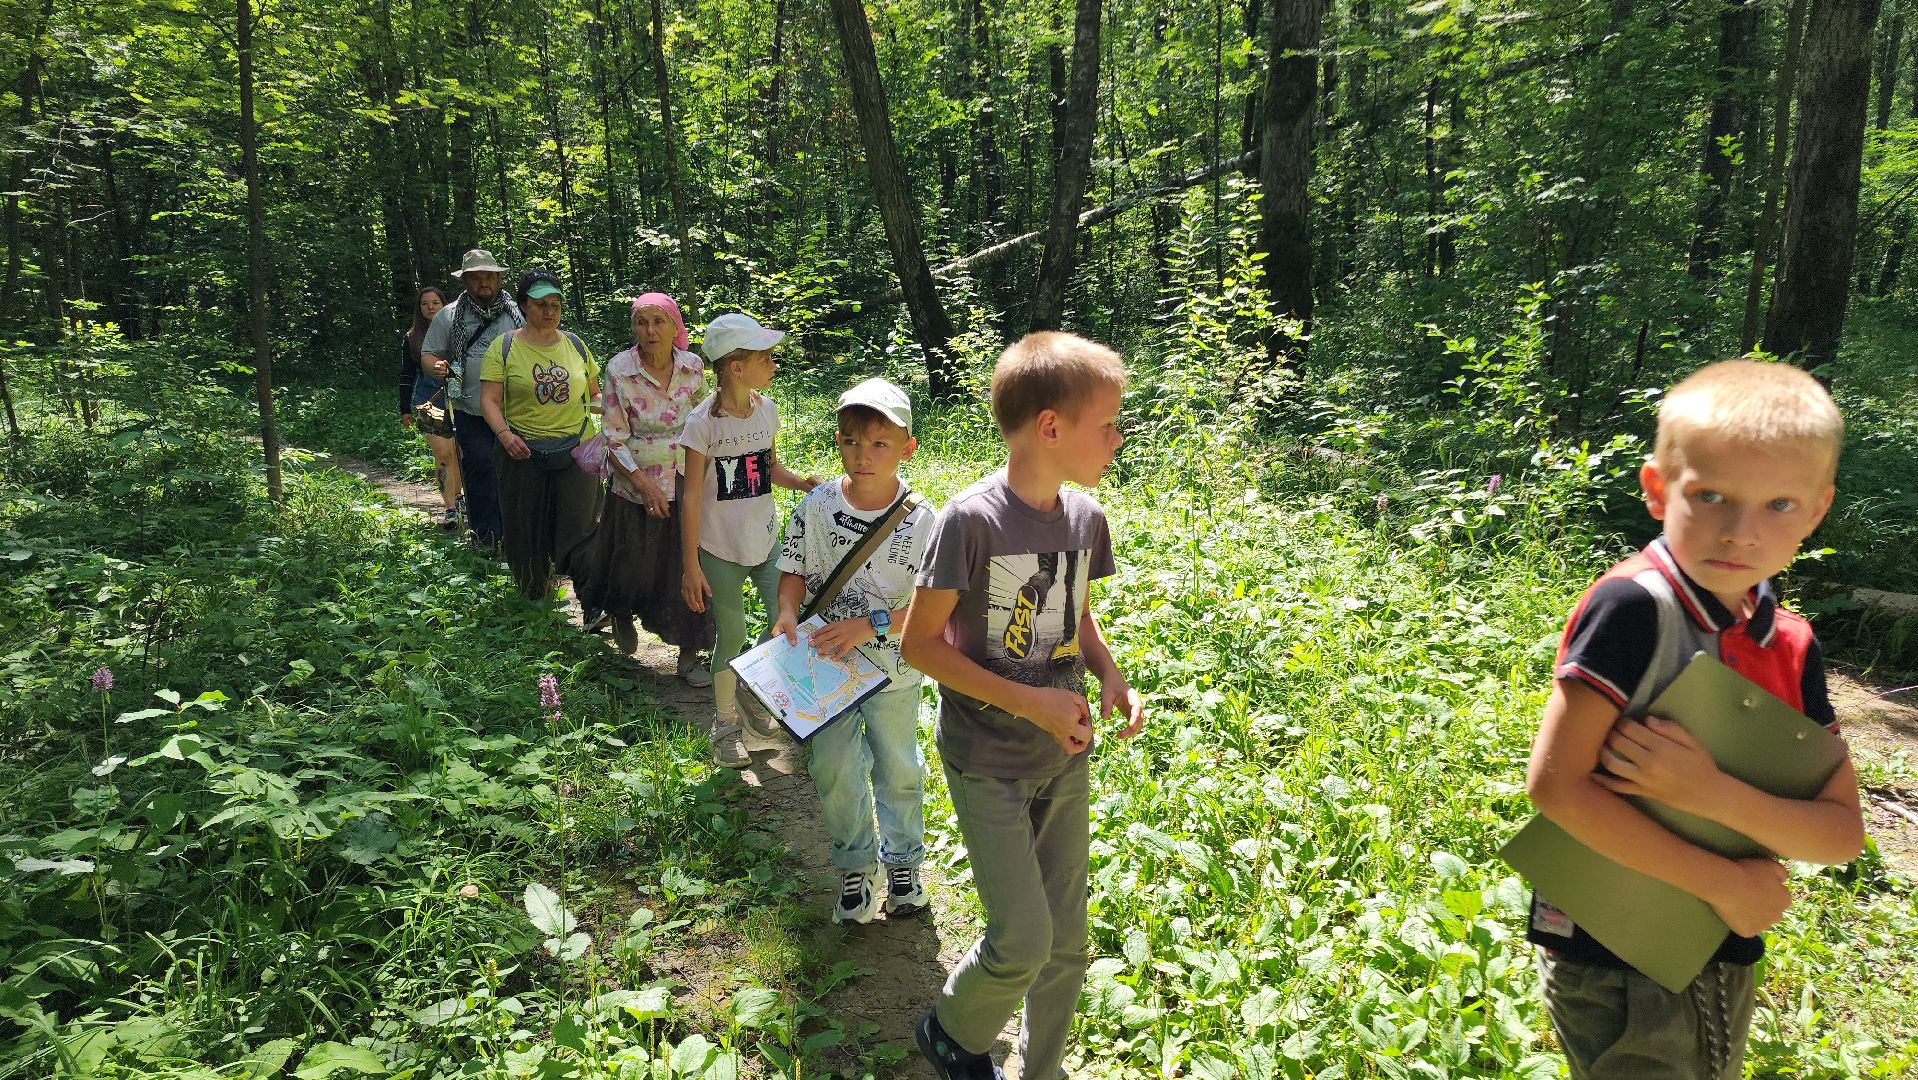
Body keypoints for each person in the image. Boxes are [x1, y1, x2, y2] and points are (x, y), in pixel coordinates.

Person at [1522, 358, 1864, 1080]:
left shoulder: (1791, 641)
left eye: (1778, 504)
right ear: (1656, 488)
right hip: (1615, 947)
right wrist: (1725, 883)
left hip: (1717, 939)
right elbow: (1556, 788)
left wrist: (1708, 793)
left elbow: (1840, 834)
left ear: (1817, 509)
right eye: (1711, 495)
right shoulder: (1635, 610)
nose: (1741, 532)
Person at [902, 332, 1146, 1080]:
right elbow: (920, 645)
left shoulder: (1084, 519)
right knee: (1024, 939)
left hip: (1062, 756)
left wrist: (1107, 672)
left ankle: (1041, 1071)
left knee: (1067, 943)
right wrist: (1028, 702)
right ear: (1050, 427)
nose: (1118, 436)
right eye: (1107, 422)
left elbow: (1074, 613)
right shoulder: (970, 521)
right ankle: (949, 1031)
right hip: (988, 763)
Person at [771, 378, 937, 924]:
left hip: (895, 668)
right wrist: (788, 612)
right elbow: (794, 566)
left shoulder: (922, 521)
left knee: (898, 767)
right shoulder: (817, 506)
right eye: (850, 442)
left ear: (908, 446)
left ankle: (905, 863)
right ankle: (854, 868)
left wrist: (871, 626)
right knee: (834, 766)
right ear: (838, 441)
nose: (863, 456)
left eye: (879, 444)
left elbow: (938, 608)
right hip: (825, 666)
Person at [678, 313, 821, 768]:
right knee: (732, 631)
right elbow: (692, 498)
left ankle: (748, 680)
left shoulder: (767, 410)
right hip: (720, 545)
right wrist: (690, 565)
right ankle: (725, 726)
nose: (773, 364)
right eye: (765, 357)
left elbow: (767, 469)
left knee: (786, 617)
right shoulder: (702, 424)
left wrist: (803, 483)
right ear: (736, 367)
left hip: (765, 537)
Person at [564, 293, 715, 682]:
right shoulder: (620, 369)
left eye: (658, 321)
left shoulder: (693, 368)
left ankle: (689, 655)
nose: (650, 331)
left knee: (685, 567)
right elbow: (613, 437)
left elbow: (708, 421)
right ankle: (620, 613)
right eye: (641, 322)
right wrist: (642, 483)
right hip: (633, 486)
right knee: (630, 566)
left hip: (686, 484)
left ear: (674, 326)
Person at [477, 268, 602, 601]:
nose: (549, 312)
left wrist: (627, 410)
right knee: (524, 527)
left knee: (581, 527)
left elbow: (594, 394)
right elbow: (488, 400)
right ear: (523, 307)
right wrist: (504, 435)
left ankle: (592, 603)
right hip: (522, 450)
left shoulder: (575, 345)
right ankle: (534, 595)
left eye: (555, 304)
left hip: (577, 448)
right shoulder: (503, 348)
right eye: (540, 304)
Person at [422, 248, 523, 548]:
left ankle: (518, 536)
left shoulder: (517, 313)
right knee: (480, 468)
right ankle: (487, 537)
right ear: (465, 280)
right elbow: (428, 354)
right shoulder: (448, 315)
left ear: (498, 278)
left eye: (488, 276)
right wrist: (436, 367)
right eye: (476, 277)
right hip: (469, 407)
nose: (483, 283)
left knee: (515, 473)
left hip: (515, 408)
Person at [397, 286, 462, 529]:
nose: (430, 307)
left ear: (443, 304)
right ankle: (450, 508)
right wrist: (404, 408)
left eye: (435, 302)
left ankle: (460, 495)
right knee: (443, 453)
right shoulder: (411, 337)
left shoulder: (457, 331)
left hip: (459, 399)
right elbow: (406, 374)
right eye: (425, 303)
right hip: (427, 401)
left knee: (459, 452)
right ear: (419, 308)